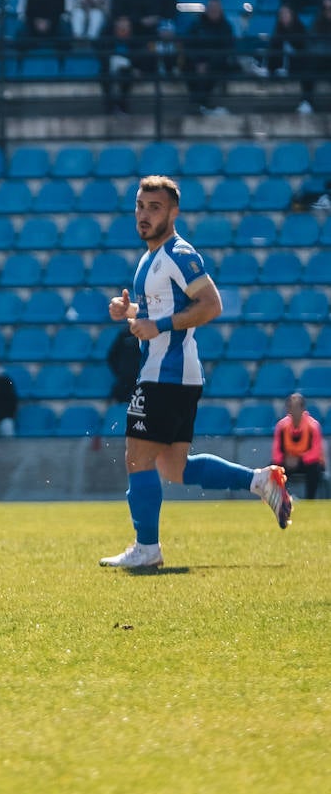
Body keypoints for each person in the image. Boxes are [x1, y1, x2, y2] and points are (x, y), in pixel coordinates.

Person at [99, 176, 293, 569]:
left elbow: (211, 305)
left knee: (137, 456)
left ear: (173, 212)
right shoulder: (150, 257)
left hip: (166, 372)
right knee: (173, 467)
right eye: (140, 206)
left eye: (155, 207)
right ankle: (260, 481)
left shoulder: (179, 253)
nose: (144, 214)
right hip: (173, 373)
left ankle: (147, 548)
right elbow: (160, 314)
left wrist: (160, 326)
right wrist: (131, 313)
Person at [182, 0, 235, 115]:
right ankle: (198, 103)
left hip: (216, 63)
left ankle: (200, 104)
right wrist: (198, 62)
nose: (213, 11)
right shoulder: (196, 25)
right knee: (188, 69)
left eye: (216, 8)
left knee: (214, 71)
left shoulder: (226, 27)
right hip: (195, 63)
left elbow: (226, 50)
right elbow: (188, 46)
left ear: (220, 10)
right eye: (211, 8)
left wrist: (208, 63)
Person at [96, 15, 153, 115]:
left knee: (126, 75)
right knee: (107, 76)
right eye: (121, 21)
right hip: (109, 68)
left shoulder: (135, 38)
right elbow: (103, 55)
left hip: (127, 71)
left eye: (126, 22)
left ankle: (122, 107)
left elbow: (140, 56)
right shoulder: (107, 35)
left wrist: (136, 68)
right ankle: (110, 108)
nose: (123, 24)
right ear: (116, 23)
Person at [272, 392, 324, 500]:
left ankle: (310, 500)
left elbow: (316, 452)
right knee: (273, 468)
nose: (293, 411)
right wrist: (285, 459)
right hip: (287, 462)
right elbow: (276, 452)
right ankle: (280, 499)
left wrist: (299, 459)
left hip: (306, 463)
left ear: (303, 409)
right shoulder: (281, 426)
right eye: (291, 407)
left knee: (315, 468)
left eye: (296, 407)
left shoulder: (313, 426)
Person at [299, 0, 331, 113]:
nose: (328, 11)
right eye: (325, 8)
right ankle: (307, 103)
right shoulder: (317, 23)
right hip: (319, 59)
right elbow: (311, 43)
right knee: (307, 70)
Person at [106, 328, 142, 404]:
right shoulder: (125, 334)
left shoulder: (155, 335)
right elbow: (112, 357)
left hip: (145, 384)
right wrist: (122, 372)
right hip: (124, 384)